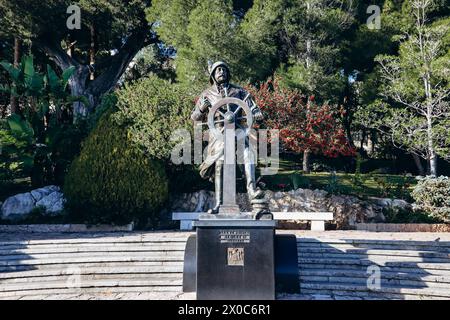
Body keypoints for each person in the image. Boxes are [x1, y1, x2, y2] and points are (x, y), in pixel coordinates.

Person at [191, 61, 264, 213]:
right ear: (212, 75)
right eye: (218, 70)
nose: (221, 72)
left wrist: (256, 112)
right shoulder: (207, 94)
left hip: (237, 133)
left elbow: (251, 106)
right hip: (218, 135)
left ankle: (252, 191)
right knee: (220, 164)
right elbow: (195, 117)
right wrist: (202, 108)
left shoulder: (239, 91)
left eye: (224, 69)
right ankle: (219, 204)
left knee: (248, 154)